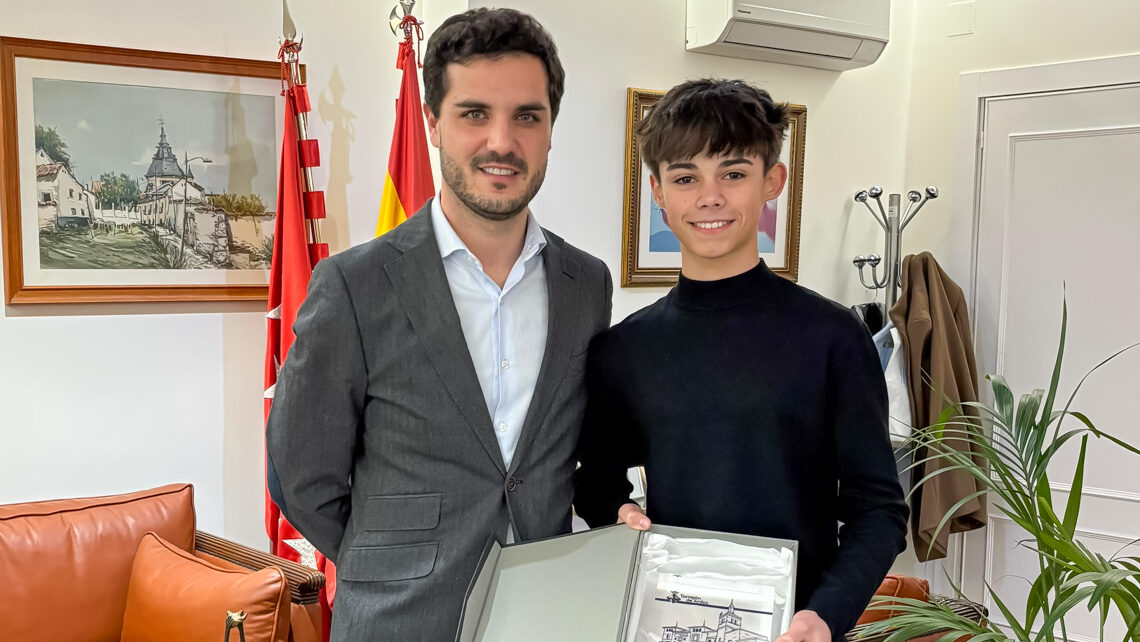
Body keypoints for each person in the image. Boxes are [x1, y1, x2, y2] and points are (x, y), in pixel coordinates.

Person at [266, 9, 612, 641]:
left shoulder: (586, 285)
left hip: (546, 617)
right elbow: (301, 476)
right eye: (474, 113)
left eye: (527, 116)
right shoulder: (355, 285)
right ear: (432, 122)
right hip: (398, 621)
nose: (501, 142)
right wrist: (388, 561)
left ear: (550, 129)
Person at [573, 79, 907, 642]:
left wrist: (825, 615)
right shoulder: (626, 348)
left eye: (732, 174)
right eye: (686, 178)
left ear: (772, 181)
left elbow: (879, 511)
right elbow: (596, 485)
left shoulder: (832, 337)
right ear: (658, 192)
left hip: (797, 630)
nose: (710, 197)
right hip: (672, 624)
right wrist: (619, 514)